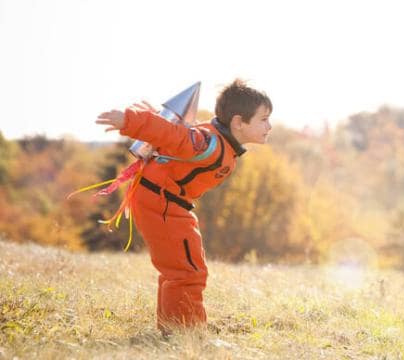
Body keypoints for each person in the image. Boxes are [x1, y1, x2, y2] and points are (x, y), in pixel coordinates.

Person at [95, 79, 272, 333]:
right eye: (263, 119)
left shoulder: (220, 143)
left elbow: (176, 138)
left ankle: (173, 328)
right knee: (187, 271)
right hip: (162, 202)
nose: (269, 126)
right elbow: (173, 135)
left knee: (181, 267)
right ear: (238, 122)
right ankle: (185, 333)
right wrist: (130, 121)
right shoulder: (208, 143)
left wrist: (155, 117)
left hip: (169, 203)